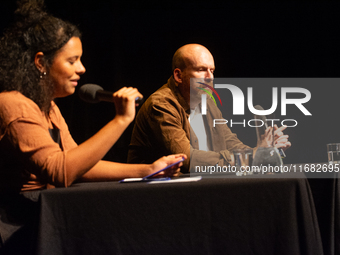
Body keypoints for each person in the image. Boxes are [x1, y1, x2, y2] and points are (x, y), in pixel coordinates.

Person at [0, 0, 185, 194]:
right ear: (40, 62)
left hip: (44, 211)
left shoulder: (48, 107)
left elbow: (76, 164)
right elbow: (60, 171)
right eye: (72, 61)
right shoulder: (13, 105)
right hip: (15, 219)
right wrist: (121, 120)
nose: (82, 69)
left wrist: (148, 170)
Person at [127, 43, 291, 172]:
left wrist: (264, 150)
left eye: (212, 71)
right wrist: (253, 155)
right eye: (201, 70)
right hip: (157, 195)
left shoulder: (207, 102)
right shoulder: (161, 105)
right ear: (178, 75)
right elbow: (187, 160)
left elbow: (230, 142)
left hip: (201, 188)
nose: (210, 77)